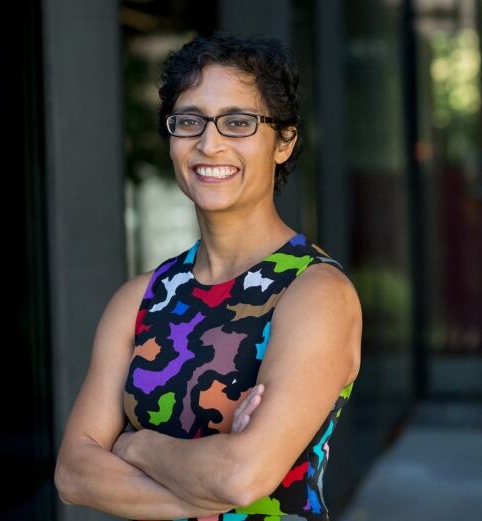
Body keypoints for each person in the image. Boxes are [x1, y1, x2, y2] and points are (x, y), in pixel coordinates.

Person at [54, 31, 362, 521]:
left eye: (238, 122)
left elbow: (243, 477)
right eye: (190, 121)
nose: (209, 143)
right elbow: (73, 473)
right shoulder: (140, 298)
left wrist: (136, 448)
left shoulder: (315, 291)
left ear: (284, 141)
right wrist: (215, 477)